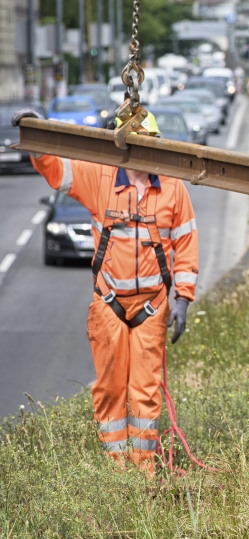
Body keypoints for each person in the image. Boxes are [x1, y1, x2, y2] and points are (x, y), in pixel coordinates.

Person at [13, 108, 198, 472]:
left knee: (145, 391)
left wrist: (182, 299)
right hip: (109, 303)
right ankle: (116, 470)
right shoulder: (99, 178)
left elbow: (186, 243)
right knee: (111, 389)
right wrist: (35, 138)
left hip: (151, 306)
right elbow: (57, 171)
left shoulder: (173, 188)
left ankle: (143, 470)